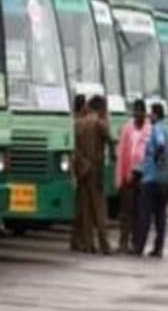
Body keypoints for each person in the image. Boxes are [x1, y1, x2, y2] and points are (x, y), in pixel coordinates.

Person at [74, 95, 112, 253]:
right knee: (100, 209)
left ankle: (87, 244)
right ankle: (104, 244)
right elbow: (109, 137)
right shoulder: (98, 122)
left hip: (82, 169)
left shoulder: (78, 122)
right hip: (96, 169)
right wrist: (105, 118)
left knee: (85, 209)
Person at [133, 102, 168, 257]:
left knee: (144, 214)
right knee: (160, 216)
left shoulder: (157, 129)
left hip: (151, 179)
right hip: (163, 180)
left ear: (156, 114)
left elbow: (160, 144)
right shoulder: (166, 128)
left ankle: (139, 246)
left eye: (151, 114)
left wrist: (157, 158)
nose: (149, 117)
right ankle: (158, 247)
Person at [115, 99, 150, 253]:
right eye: (135, 112)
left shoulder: (150, 129)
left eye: (140, 112)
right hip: (128, 175)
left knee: (139, 211)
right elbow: (121, 152)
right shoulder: (127, 128)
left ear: (144, 113)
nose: (137, 115)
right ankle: (123, 242)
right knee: (126, 211)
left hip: (143, 176)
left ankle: (136, 243)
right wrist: (121, 175)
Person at [69, 93, 89, 251]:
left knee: (79, 208)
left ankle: (76, 240)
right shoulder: (80, 123)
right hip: (80, 170)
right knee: (81, 208)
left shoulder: (72, 121)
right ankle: (79, 241)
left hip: (76, 169)